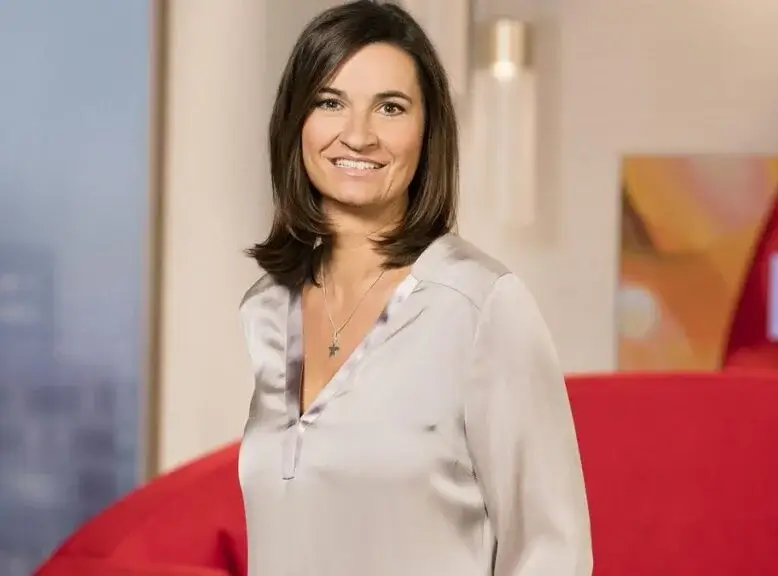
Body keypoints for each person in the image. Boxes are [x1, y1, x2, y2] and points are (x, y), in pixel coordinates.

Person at [237, 2, 592, 575]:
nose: (358, 135)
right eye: (330, 102)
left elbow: (552, 551)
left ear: (427, 132)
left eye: (391, 108)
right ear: (295, 121)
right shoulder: (266, 307)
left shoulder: (482, 305)